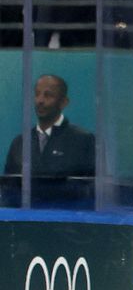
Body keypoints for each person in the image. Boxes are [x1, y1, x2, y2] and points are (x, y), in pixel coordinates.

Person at [5, 74, 95, 204]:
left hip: (68, 219)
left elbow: (93, 192)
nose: (40, 100)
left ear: (64, 102)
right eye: (37, 94)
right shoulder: (20, 143)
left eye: (48, 95)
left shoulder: (83, 140)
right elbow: (8, 190)